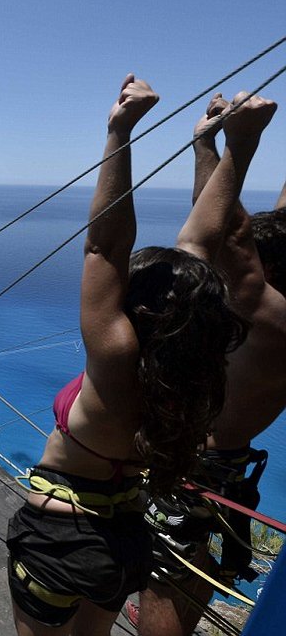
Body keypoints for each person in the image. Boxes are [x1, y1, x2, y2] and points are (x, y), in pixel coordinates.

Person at [5, 75, 247, 636]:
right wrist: (231, 147)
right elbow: (200, 245)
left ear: (134, 310)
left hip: (58, 538)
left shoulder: (116, 363)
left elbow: (103, 246)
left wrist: (120, 130)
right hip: (124, 539)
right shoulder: (186, 373)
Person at [137, 92, 282, 636]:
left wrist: (221, 142)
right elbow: (224, 228)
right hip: (228, 461)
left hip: (199, 467)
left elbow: (222, 233)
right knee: (194, 566)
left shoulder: (271, 318)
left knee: (166, 576)